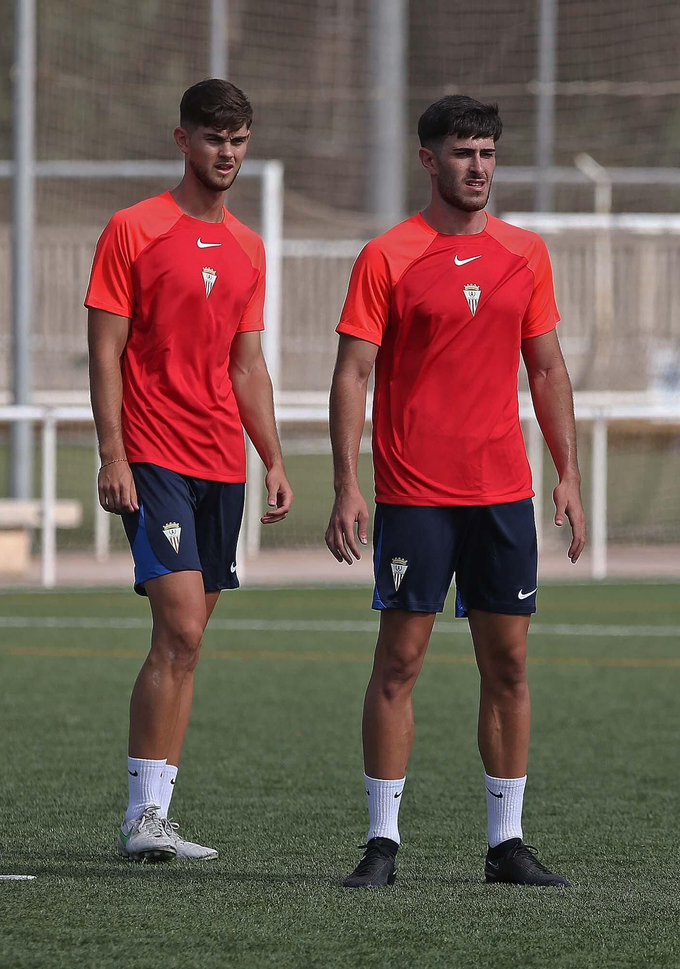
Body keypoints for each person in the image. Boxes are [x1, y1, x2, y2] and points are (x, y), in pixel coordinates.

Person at [326, 95, 586, 888]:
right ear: (429, 160)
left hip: (502, 492)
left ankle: (506, 842)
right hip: (414, 493)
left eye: (489, 153)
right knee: (399, 662)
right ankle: (381, 841)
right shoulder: (389, 255)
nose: (479, 167)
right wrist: (345, 482)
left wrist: (567, 470)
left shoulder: (526, 254)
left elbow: (545, 367)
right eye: (464, 152)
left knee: (508, 664)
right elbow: (352, 373)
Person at [86, 79, 292, 863]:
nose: (227, 153)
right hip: (154, 455)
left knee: (190, 640)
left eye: (239, 139)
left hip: (221, 464)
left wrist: (271, 454)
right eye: (213, 138)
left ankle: (159, 818)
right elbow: (105, 350)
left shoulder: (248, 246)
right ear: (182, 140)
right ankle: (141, 814)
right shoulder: (133, 230)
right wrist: (113, 452)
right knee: (178, 624)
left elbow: (247, 364)